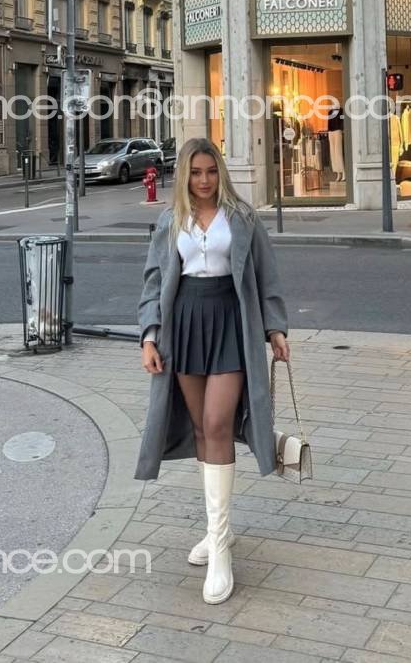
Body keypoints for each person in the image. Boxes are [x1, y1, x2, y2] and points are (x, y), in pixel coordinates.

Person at [135, 137, 289, 606]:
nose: (204, 180)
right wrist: (149, 335)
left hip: (231, 322)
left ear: (220, 172)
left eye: (211, 171)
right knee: (202, 428)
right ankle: (216, 529)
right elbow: (154, 281)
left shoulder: (242, 218)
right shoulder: (170, 220)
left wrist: (275, 329)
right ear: (184, 175)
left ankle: (220, 550)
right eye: (196, 172)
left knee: (220, 423)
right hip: (183, 325)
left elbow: (266, 275)